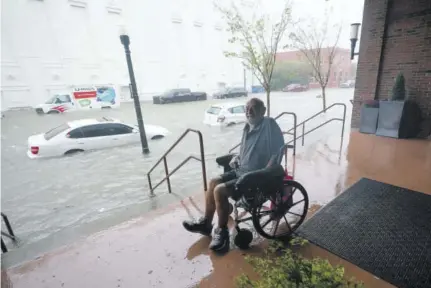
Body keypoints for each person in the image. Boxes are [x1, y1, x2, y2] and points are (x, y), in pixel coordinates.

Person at [182, 97, 285, 252]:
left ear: (263, 111)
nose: (249, 111)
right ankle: (206, 223)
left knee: (219, 190)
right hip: (241, 170)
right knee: (213, 182)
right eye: (247, 108)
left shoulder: (269, 126)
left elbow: (278, 150)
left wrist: (268, 169)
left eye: (254, 107)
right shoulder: (247, 127)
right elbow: (247, 150)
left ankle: (221, 231)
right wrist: (238, 157)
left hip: (255, 178)